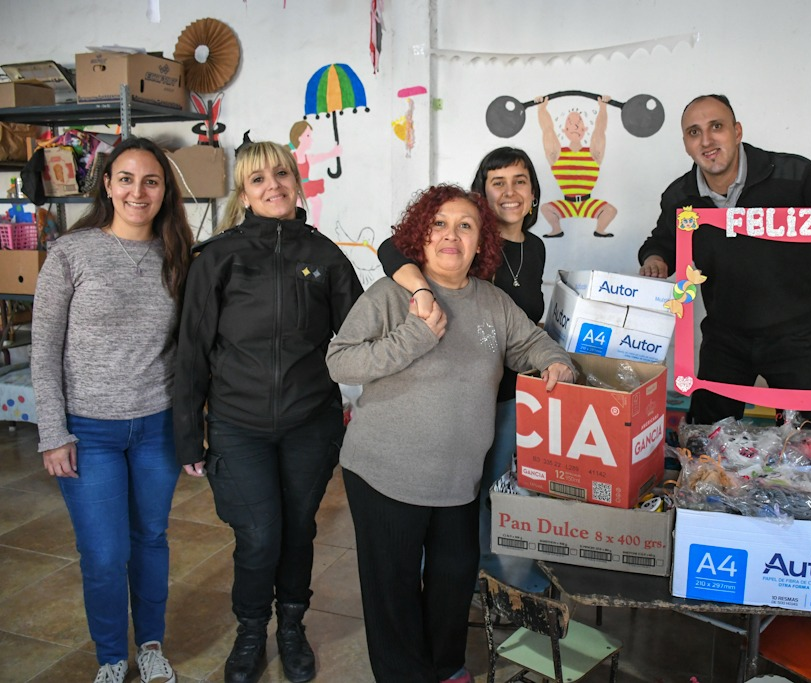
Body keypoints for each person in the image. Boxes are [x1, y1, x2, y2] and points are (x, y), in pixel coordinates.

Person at [326, 184, 574, 683]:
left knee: (453, 579)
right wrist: (414, 337)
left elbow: (533, 343)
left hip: (458, 480)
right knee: (392, 591)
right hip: (383, 474)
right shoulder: (390, 295)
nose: (451, 236)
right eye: (439, 224)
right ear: (422, 236)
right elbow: (340, 362)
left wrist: (556, 363)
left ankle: (446, 666)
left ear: (481, 242)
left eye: (465, 225)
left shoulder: (494, 302)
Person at [173, 140, 363, 683]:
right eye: (257, 179)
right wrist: (189, 437)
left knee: (299, 529)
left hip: (311, 423)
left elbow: (357, 340)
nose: (272, 185)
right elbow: (191, 351)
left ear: (296, 181)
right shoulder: (217, 257)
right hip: (238, 426)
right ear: (244, 192)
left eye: (280, 174)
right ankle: (251, 628)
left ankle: (292, 627)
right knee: (259, 535)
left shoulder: (326, 256)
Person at [32, 137, 194, 683]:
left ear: (165, 188)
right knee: (104, 554)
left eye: (150, 180)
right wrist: (53, 432)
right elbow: (43, 349)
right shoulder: (71, 253)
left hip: (157, 428)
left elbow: (192, 351)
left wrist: (193, 428)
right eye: (125, 178)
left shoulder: (178, 255)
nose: (137, 191)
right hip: (87, 431)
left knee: (150, 539)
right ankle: (110, 656)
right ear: (106, 184)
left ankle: (149, 644)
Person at [637, 94, 811, 430]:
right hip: (725, 336)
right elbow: (664, 241)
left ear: (737, 131)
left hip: (798, 335)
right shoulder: (679, 196)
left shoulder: (793, 174)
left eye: (717, 127)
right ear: (686, 144)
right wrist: (655, 257)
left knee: (810, 440)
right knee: (705, 437)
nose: (707, 140)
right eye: (694, 132)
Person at [376, 146, 544, 562]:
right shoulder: (466, 241)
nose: (509, 191)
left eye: (519, 181)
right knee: (465, 500)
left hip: (512, 396)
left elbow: (513, 321)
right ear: (481, 195)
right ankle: (467, 584)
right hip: (462, 396)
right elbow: (389, 249)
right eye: (497, 182)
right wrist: (419, 287)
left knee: (499, 496)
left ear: (534, 193)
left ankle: (486, 583)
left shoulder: (535, 248)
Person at [536, 95, 617, 237]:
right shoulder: (556, 155)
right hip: (567, 203)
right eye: (570, 123)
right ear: (564, 130)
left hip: (588, 202)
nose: (574, 126)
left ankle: (599, 230)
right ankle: (556, 229)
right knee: (545, 208)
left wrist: (603, 107)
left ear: (585, 129)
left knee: (610, 210)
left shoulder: (593, 154)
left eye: (579, 122)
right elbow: (547, 130)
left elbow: (599, 131)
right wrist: (541, 109)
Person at [288, 120, 341, 229]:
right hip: (297, 187)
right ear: (300, 138)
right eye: (308, 136)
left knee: (317, 202)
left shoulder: (307, 158)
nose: (311, 139)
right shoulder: (292, 158)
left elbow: (320, 157)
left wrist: (333, 153)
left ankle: (316, 225)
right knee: (298, 204)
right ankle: (298, 226)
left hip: (307, 185)